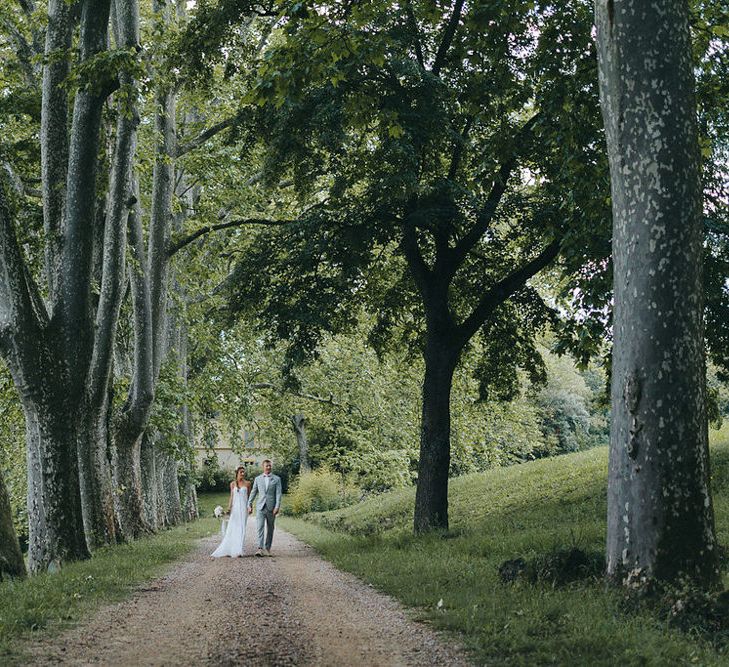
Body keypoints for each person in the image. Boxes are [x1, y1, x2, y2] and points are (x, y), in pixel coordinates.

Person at [211, 466, 250, 558]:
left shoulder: (248, 484)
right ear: (237, 473)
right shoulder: (232, 484)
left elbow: (249, 497)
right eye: (241, 472)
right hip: (235, 509)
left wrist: (249, 507)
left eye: (244, 472)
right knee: (233, 528)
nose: (243, 474)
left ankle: (239, 549)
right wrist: (229, 509)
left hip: (244, 509)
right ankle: (231, 548)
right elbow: (231, 497)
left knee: (242, 529)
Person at [248, 459, 282, 557]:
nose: (268, 467)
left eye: (270, 466)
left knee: (270, 528)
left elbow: (278, 494)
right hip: (260, 507)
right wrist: (249, 503)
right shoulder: (258, 479)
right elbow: (254, 492)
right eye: (267, 466)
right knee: (260, 527)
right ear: (263, 467)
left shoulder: (277, 479)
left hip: (271, 508)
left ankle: (267, 548)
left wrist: (277, 506)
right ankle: (260, 548)